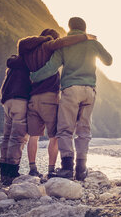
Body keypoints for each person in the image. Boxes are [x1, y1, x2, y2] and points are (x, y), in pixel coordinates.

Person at [30, 17, 112, 180]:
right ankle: (81, 169)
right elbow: (108, 61)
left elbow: (51, 68)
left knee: (65, 129)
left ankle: (67, 168)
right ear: (84, 28)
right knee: (84, 129)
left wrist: (33, 76)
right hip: (90, 90)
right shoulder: (93, 43)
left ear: (69, 28)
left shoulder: (64, 45)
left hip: (70, 90)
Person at [19, 29, 96, 177]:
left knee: (33, 137)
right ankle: (51, 169)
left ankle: (33, 169)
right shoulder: (48, 49)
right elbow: (62, 43)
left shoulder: (29, 53)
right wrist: (84, 37)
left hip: (32, 99)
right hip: (49, 99)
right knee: (54, 136)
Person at [0, 54, 30, 185]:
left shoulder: (12, 64)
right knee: (17, 138)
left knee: (6, 136)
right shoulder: (29, 62)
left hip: (7, 102)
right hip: (20, 100)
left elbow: (4, 84)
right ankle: (12, 172)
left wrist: (3, 100)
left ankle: (4, 172)